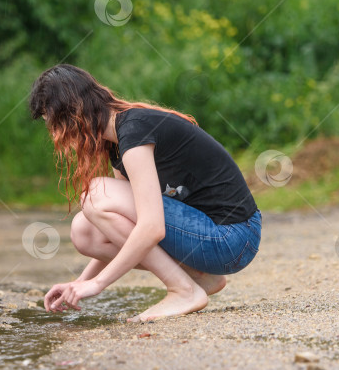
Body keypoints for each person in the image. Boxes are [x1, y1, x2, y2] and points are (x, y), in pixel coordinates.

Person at [29, 64, 261, 322]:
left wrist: (98, 284)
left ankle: (183, 291)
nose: (56, 136)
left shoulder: (134, 130)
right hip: (211, 240)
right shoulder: (116, 145)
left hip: (233, 237)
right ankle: (199, 278)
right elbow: (123, 228)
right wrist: (80, 283)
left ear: (72, 112)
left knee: (95, 194)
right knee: (84, 232)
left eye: (55, 125)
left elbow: (152, 227)